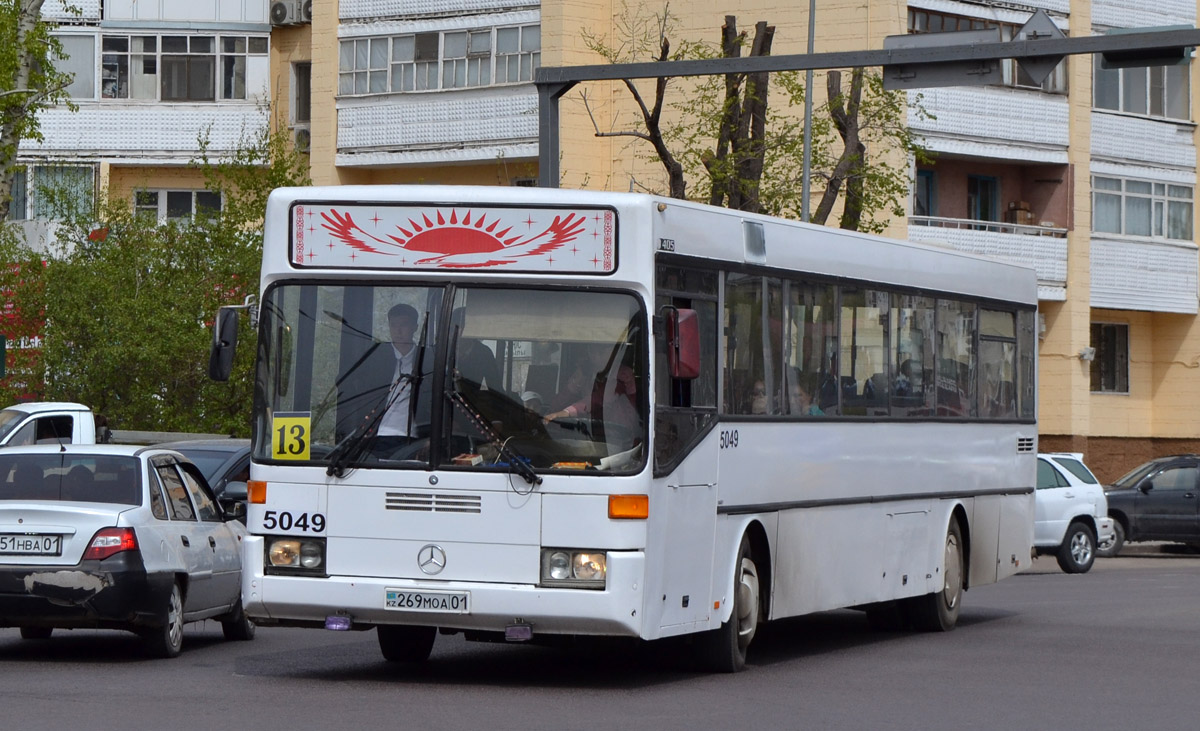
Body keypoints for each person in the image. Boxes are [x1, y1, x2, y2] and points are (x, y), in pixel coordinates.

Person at [543, 343, 639, 447]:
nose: (596, 356)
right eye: (592, 351)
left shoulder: (623, 375)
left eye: (602, 351)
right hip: (591, 437)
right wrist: (576, 382)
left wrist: (566, 412)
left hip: (621, 440)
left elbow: (598, 399)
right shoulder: (587, 374)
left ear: (614, 352)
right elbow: (558, 403)